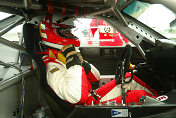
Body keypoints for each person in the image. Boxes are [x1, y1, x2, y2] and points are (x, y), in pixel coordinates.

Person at [39, 14, 158, 105]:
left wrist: (83, 64)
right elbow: (76, 96)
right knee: (139, 95)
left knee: (128, 77)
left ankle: (158, 100)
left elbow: (96, 77)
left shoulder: (64, 57)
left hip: (93, 97)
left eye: (71, 31)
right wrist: (74, 65)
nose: (72, 35)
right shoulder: (52, 66)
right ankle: (162, 109)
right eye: (67, 32)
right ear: (52, 33)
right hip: (87, 107)